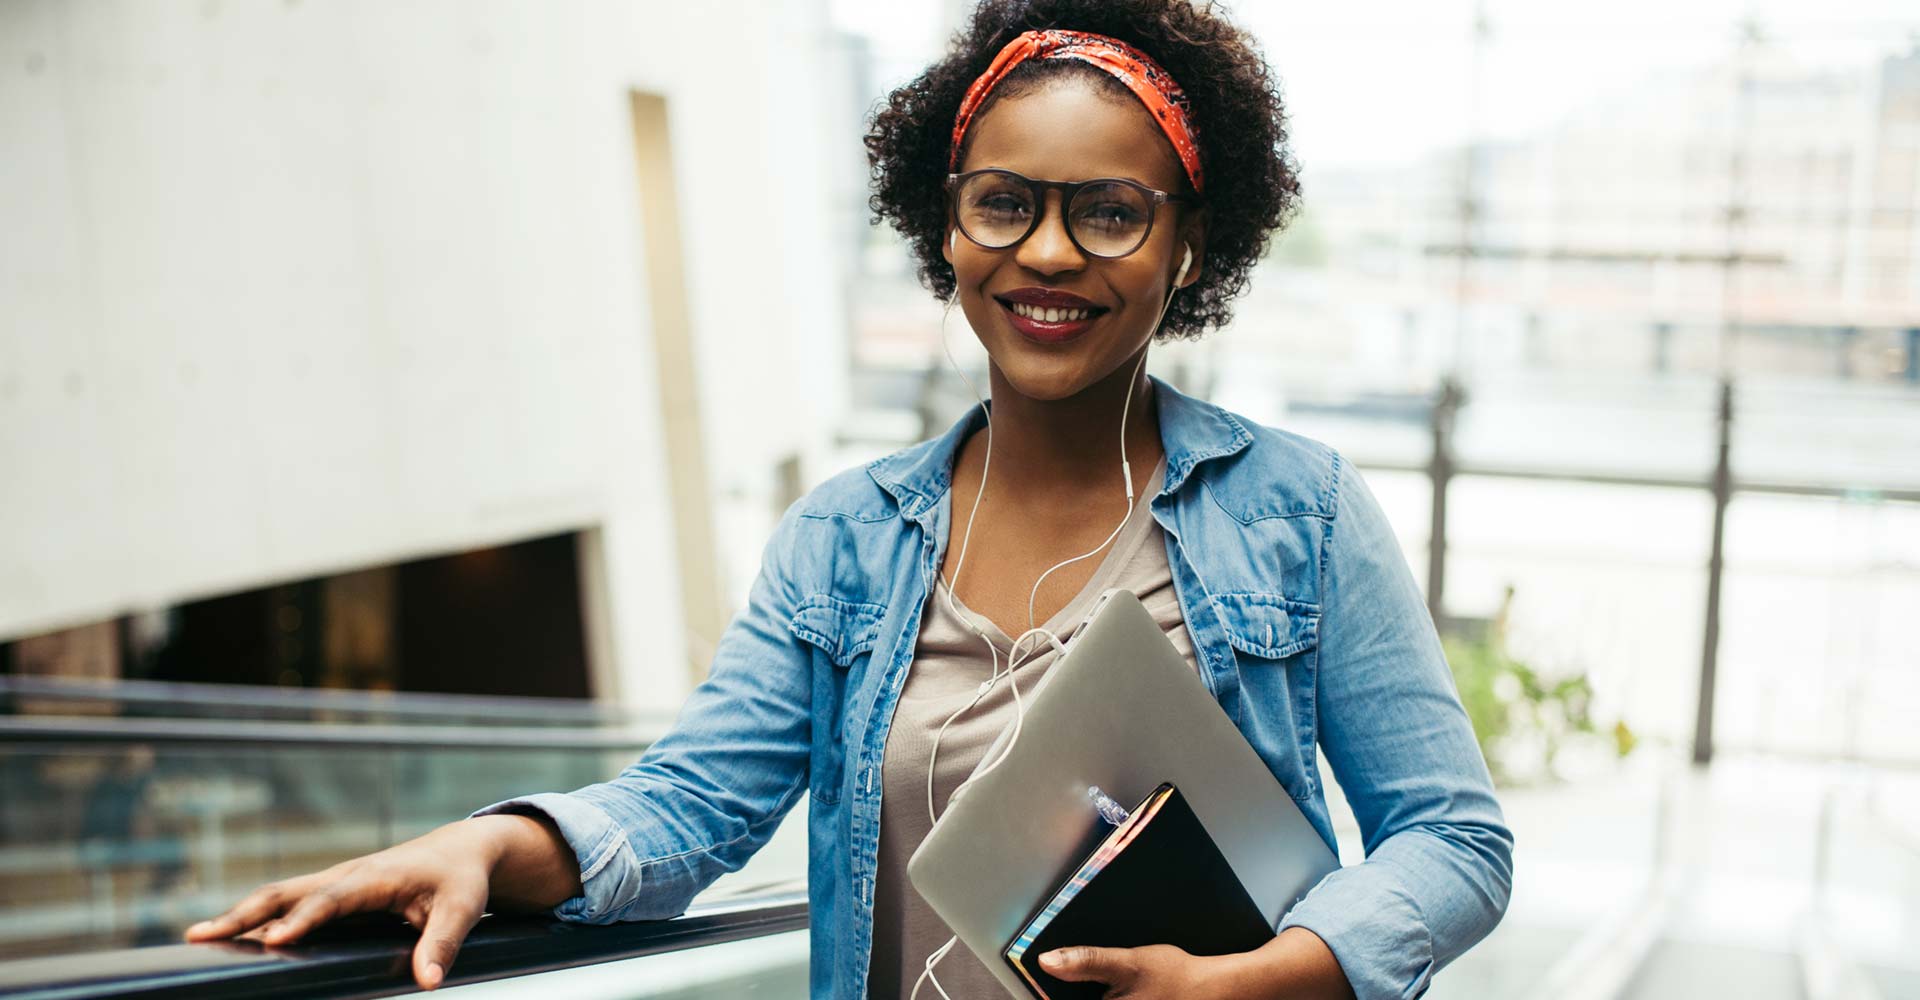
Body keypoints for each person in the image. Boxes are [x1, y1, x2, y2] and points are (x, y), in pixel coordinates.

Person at [186, 1, 1513, 997]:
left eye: (1110, 212)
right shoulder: (844, 541)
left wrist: (1260, 982)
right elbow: (685, 812)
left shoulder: (1298, 514)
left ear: (1189, 244)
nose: (1047, 251)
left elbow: (1454, 840)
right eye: (1004, 204)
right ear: (947, 228)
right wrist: (491, 847)